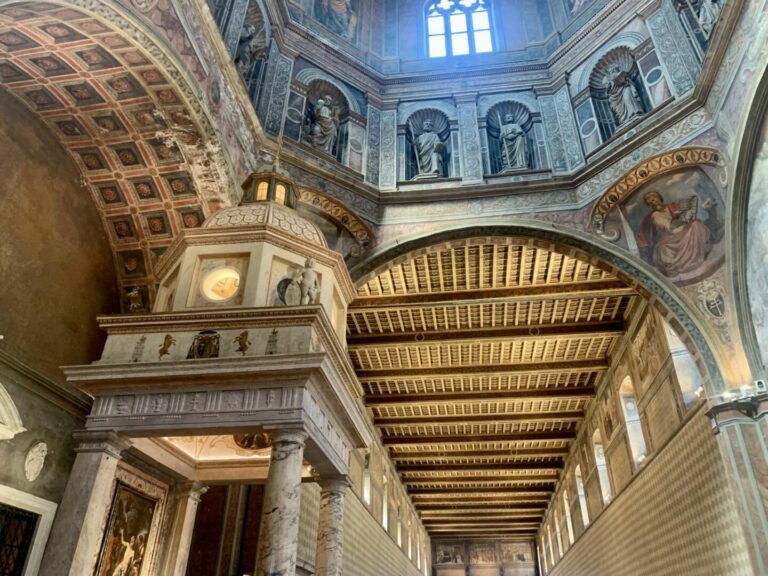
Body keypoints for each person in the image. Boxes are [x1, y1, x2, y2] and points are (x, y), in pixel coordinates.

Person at [636, 190, 712, 277]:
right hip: (669, 238)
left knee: (696, 224)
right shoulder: (655, 215)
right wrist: (682, 219)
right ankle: (674, 268)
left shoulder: (672, 206)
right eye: (650, 201)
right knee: (663, 248)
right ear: (649, 204)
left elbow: (686, 211)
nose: (653, 202)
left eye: (655, 199)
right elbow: (669, 227)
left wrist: (689, 210)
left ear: (660, 198)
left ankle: (702, 248)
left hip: (683, 231)